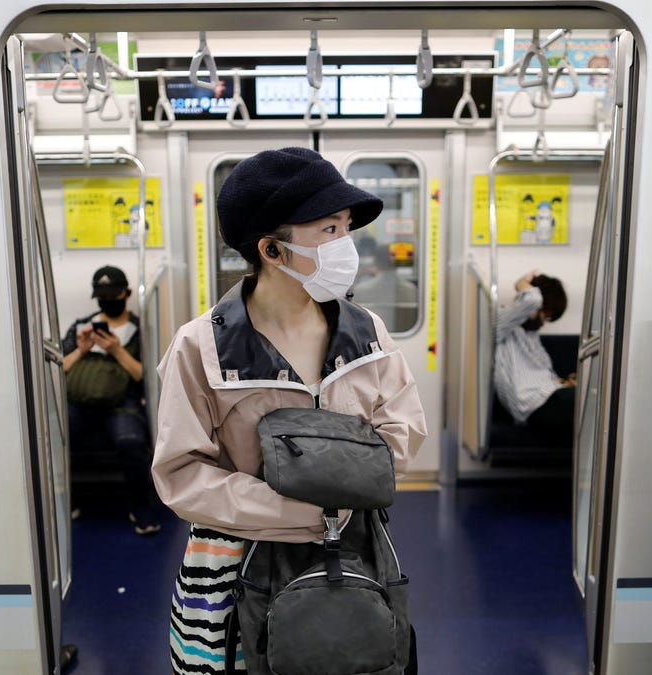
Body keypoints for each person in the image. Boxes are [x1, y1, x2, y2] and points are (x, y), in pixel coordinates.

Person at [151, 147, 428, 675]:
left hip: (352, 552)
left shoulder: (366, 333)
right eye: (328, 230)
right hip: (233, 566)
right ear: (273, 251)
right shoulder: (202, 347)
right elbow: (181, 474)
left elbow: (403, 428)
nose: (346, 245)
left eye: (346, 227)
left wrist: (343, 498)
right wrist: (297, 511)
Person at [62, 265, 159, 535]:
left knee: (131, 441)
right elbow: (61, 367)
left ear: (126, 294)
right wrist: (82, 350)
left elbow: (145, 377)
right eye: (102, 297)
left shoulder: (140, 330)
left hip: (122, 402)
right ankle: (67, 501)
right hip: (81, 401)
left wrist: (117, 350)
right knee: (58, 436)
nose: (107, 301)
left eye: (113, 295)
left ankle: (140, 508)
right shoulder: (82, 327)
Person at [494, 269, 575, 436]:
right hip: (533, 406)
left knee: (595, 396)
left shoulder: (531, 335)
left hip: (550, 397)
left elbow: (544, 377)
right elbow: (532, 299)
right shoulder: (500, 324)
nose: (544, 321)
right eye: (545, 313)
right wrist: (521, 283)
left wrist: (563, 383)